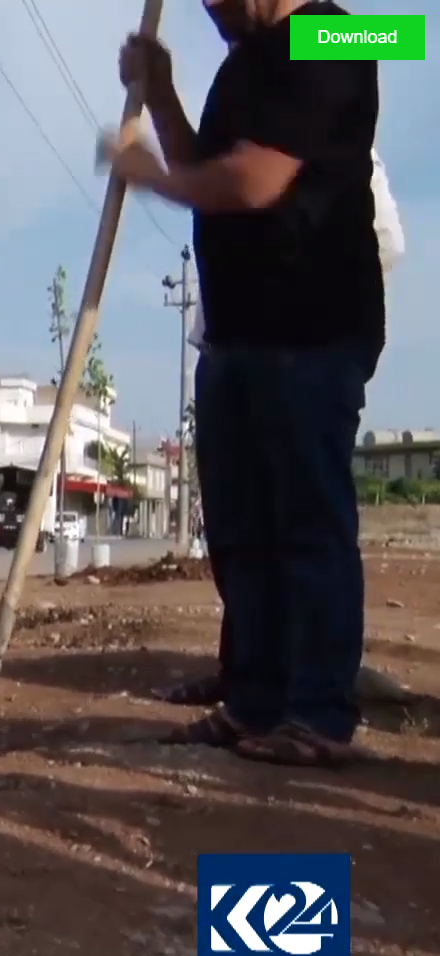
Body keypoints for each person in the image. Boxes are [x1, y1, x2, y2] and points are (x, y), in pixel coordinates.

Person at [104, 0, 381, 767]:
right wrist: (159, 93)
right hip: (237, 333)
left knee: (307, 524)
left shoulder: (342, 31)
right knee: (241, 529)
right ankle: (255, 697)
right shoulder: (244, 61)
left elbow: (256, 180)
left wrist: (154, 179)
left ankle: (320, 711)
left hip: (313, 329)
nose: (212, 10)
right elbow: (206, 161)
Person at [157, 145, 404, 710]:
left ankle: (315, 700)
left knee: (303, 524)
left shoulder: (324, 83)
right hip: (229, 346)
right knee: (240, 528)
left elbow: (392, 47)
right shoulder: (245, 90)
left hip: (304, 346)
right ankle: (249, 678)